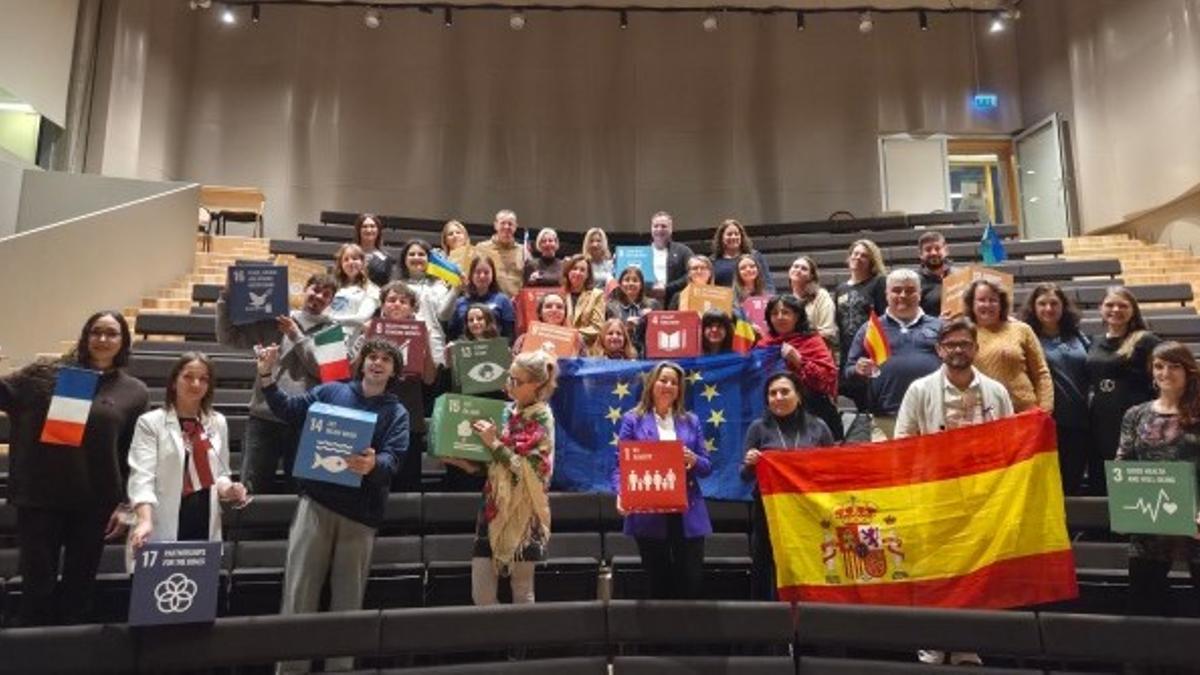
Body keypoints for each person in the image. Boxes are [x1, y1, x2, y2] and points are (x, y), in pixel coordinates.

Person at [256, 339, 409, 674]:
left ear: (394, 370)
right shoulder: (330, 392)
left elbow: (393, 459)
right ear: (362, 362)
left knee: (348, 606)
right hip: (316, 506)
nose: (377, 363)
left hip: (360, 516)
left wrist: (374, 465)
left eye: (386, 359)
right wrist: (267, 376)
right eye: (372, 357)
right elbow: (288, 409)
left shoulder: (397, 412)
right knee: (298, 597)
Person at [0, 311, 149, 625]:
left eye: (111, 333)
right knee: (36, 592)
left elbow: (133, 454)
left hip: (94, 504)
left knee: (79, 592)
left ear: (123, 341)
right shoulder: (47, 375)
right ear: (85, 336)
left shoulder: (134, 391)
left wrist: (126, 506)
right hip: (41, 498)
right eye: (96, 332)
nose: (103, 339)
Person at [893, 317, 1013, 666]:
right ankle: (932, 644)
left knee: (975, 573)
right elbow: (903, 442)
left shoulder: (996, 391)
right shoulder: (919, 390)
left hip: (980, 498)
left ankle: (965, 643)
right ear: (939, 349)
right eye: (951, 345)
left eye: (965, 344)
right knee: (933, 572)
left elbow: (1008, 444)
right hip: (934, 495)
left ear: (976, 348)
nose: (958, 350)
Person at [442, 351, 559, 606]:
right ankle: (495, 641)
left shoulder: (542, 417)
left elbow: (530, 470)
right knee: (481, 593)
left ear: (537, 385)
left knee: (522, 588)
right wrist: (461, 461)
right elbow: (494, 465)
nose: (509, 384)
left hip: (525, 510)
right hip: (493, 506)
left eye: (517, 381)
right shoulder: (504, 411)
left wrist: (494, 443)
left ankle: (520, 646)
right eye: (509, 377)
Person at [216, 273, 338, 494]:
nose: (318, 296)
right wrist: (226, 297)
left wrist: (295, 334)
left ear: (331, 301)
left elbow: (326, 373)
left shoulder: (333, 332)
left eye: (326, 294)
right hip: (264, 417)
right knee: (251, 490)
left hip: (305, 421)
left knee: (300, 494)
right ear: (305, 289)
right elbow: (228, 337)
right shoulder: (275, 320)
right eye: (315, 289)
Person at [127, 353, 248, 554]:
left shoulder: (217, 422)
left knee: (200, 584)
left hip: (203, 519)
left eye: (203, 379)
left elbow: (219, 474)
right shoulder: (150, 422)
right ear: (174, 382)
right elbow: (142, 477)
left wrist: (229, 489)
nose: (196, 384)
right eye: (188, 377)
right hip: (161, 521)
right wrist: (144, 520)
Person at [1116, 342, 1200, 617]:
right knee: (1143, 602)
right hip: (1149, 521)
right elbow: (1124, 463)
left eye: (1174, 366)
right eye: (1159, 366)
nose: (1165, 372)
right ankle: (1148, 659)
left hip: (1197, 521)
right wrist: (1124, 507)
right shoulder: (1135, 414)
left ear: (1188, 371)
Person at [615, 362, 712, 599]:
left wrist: (694, 459)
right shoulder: (633, 420)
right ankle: (661, 635)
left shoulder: (691, 421)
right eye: (663, 380)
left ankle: (688, 633)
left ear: (679, 389)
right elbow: (620, 464)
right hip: (649, 509)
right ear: (652, 384)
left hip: (687, 510)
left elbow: (707, 467)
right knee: (657, 581)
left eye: (674, 382)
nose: (668, 385)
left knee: (690, 580)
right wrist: (621, 493)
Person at [740, 372, 835, 600]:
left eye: (785, 392)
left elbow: (832, 470)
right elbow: (743, 476)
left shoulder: (818, 428)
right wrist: (751, 463)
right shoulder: (758, 428)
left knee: (808, 562)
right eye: (772, 393)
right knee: (765, 564)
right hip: (768, 511)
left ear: (799, 396)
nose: (778, 397)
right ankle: (766, 622)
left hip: (808, 511)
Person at [843, 269, 942, 440]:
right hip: (885, 418)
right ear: (887, 294)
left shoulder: (940, 326)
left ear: (919, 294)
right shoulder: (870, 328)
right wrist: (858, 369)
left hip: (932, 414)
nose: (903, 295)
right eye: (896, 290)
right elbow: (848, 370)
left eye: (910, 290)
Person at [360, 281, 437, 492]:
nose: (397, 304)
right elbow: (353, 373)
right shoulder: (370, 329)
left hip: (410, 417)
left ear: (412, 307)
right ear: (383, 305)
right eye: (391, 300)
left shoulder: (421, 332)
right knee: (373, 481)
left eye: (403, 301)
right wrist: (366, 337)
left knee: (407, 482)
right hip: (373, 415)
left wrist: (426, 342)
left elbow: (430, 379)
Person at [1086, 286, 1161, 495]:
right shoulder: (1094, 341)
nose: (1116, 309)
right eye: (1110, 305)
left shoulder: (1146, 340)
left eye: (1123, 305)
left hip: (1134, 419)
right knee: (1102, 474)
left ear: (1133, 310)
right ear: (1101, 308)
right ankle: (1102, 526)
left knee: (1131, 474)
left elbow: (1165, 372)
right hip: (1100, 419)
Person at [1018, 283, 1092, 495]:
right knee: (1048, 485)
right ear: (1033, 307)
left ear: (1063, 307)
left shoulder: (1077, 335)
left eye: (1054, 303)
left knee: (1072, 480)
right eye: (1042, 304)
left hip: (1079, 420)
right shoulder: (1025, 336)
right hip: (1046, 421)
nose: (1048, 308)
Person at [757, 294, 841, 439]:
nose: (780, 317)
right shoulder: (763, 346)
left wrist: (800, 361)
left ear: (797, 316)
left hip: (813, 414)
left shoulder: (812, 341)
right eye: (774, 313)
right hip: (773, 419)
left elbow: (827, 379)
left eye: (785, 312)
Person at [964, 279, 1054, 413]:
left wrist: (1045, 409)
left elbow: (1041, 373)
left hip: (1026, 414)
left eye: (993, 300)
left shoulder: (1022, 329)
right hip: (984, 416)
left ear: (1001, 304)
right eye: (981, 300)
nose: (987, 305)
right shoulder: (964, 334)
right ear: (972, 304)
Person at [836, 240, 887, 408]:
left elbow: (885, 318)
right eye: (855, 253)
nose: (858, 257)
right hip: (848, 355)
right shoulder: (841, 288)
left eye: (864, 255)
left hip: (871, 352)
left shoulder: (878, 283)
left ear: (872, 261)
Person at [393, 239, 458, 368]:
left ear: (429, 259)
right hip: (401, 346)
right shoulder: (395, 287)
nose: (416, 258)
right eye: (412, 254)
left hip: (434, 348)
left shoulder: (440, 286)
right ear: (404, 259)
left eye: (421, 254)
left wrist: (456, 290)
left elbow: (444, 316)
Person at [447, 255, 516, 341]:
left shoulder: (503, 300)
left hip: (496, 351)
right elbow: (453, 333)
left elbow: (509, 333)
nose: (482, 276)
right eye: (478, 272)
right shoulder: (460, 302)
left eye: (486, 272)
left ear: (493, 275)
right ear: (471, 275)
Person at [330, 243, 382, 348]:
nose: (351, 262)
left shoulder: (372, 289)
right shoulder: (331, 285)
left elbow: (361, 318)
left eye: (355, 258)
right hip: (326, 337)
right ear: (340, 264)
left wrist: (328, 319)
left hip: (351, 341)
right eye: (346, 259)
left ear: (363, 262)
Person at [510, 292, 587, 357]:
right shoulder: (524, 339)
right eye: (548, 306)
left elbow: (584, 367)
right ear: (540, 312)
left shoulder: (576, 339)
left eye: (559, 307)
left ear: (565, 313)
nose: (554, 310)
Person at [710, 219, 775, 293]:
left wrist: (768, 301)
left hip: (752, 302)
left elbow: (768, 283)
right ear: (721, 237)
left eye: (737, 234)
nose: (733, 237)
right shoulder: (713, 260)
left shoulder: (755, 256)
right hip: (724, 303)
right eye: (729, 234)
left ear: (741, 236)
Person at [787, 255, 837, 353]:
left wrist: (797, 342)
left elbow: (827, 332)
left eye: (804, 268)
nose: (798, 270)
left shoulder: (821, 296)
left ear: (811, 276)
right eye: (795, 266)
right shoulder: (787, 300)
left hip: (817, 353)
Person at [605, 266, 660, 353]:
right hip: (620, 353)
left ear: (641, 284)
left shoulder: (653, 305)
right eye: (626, 280)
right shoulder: (610, 307)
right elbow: (606, 336)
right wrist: (626, 328)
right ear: (620, 284)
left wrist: (650, 320)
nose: (631, 283)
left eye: (635, 280)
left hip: (647, 352)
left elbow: (659, 333)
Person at [475, 209, 528, 297]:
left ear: (515, 227)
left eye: (510, 224)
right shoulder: (481, 248)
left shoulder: (523, 250)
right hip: (489, 302)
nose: (507, 227)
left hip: (516, 304)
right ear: (495, 225)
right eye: (503, 223)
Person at [648, 211, 695, 307]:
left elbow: (692, 274)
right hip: (648, 302)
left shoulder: (683, 251)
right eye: (655, 226)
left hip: (676, 303)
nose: (659, 229)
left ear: (671, 229)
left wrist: (667, 288)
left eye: (664, 226)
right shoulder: (642, 253)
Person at [562, 254, 607, 348]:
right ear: (568, 272)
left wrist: (571, 335)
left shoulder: (596, 295)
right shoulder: (558, 295)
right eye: (574, 268)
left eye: (582, 270)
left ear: (587, 275)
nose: (578, 273)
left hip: (587, 349)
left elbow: (597, 327)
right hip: (560, 347)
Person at [915, 231, 954, 317]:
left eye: (937, 248)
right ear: (920, 254)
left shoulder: (959, 276)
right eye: (928, 249)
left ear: (946, 251)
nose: (933, 253)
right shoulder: (914, 282)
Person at [353, 213, 394, 287]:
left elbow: (387, 284)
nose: (369, 230)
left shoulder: (386, 257)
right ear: (358, 230)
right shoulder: (350, 254)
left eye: (372, 226)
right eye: (364, 227)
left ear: (378, 230)